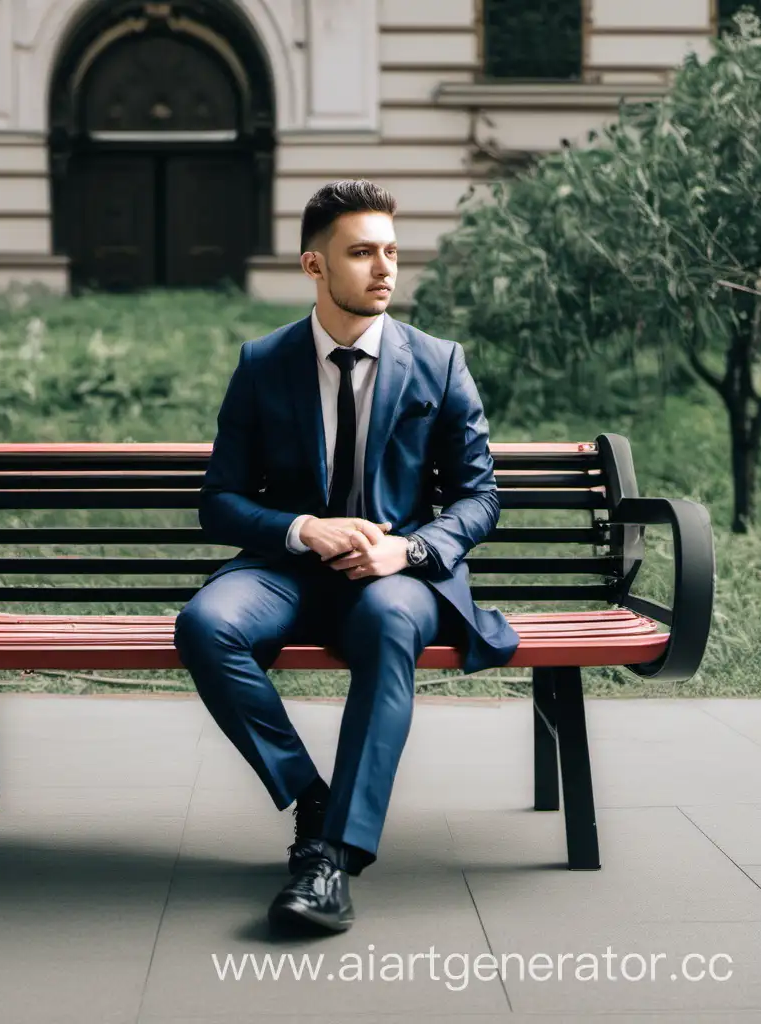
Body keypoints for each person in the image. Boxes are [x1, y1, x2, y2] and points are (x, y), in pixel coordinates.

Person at [174, 179, 520, 935]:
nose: (384, 268)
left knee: (393, 623)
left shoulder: (439, 362)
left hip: (397, 573)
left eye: (391, 252)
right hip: (288, 571)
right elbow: (220, 499)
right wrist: (302, 528)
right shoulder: (264, 362)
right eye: (361, 253)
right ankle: (314, 796)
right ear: (314, 266)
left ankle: (333, 856)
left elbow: (479, 497)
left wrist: (410, 548)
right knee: (205, 624)